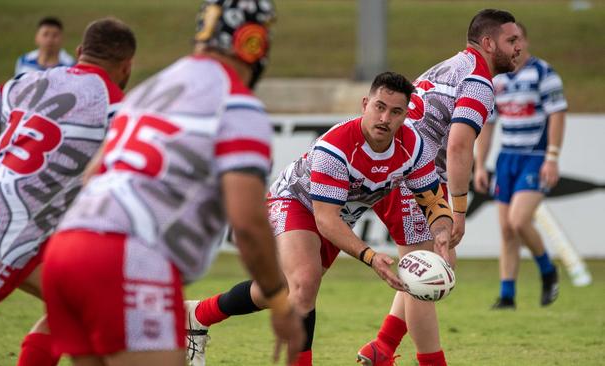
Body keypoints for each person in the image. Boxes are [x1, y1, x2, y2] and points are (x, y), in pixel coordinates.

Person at [40, 1, 306, 366]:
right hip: (128, 256)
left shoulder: (149, 89)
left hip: (66, 247)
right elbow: (246, 223)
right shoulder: (237, 105)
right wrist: (278, 302)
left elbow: (91, 175)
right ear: (253, 42)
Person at [185, 71, 455, 366]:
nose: (385, 118)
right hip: (295, 201)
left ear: (405, 115)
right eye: (379, 107)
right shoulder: (336, 148)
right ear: (365, 104)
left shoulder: (412, 146)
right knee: (303, 282)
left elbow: (432, 200)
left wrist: (442, 229)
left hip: (338, 214)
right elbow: (325, 220)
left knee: (282, 289)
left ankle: (198, 314)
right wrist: (370, 256)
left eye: (395, 112)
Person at [0, 17, 135, 366]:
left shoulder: (26, 82)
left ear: (80, 52)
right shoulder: (116, 110)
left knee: (88, 303)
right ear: (127, 66)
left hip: (9, 226)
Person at [357, 9, 521, 366]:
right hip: (411, 180)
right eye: (512, 40)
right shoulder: (478, 80)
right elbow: (459, 146)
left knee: (432, 267)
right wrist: (457, 213)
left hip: (401, 174)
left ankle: (382, 347)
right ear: (488, 43)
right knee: (427, 274)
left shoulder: (448, 66)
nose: (518, 48)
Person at [474, 22, 565, 309]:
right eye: (508, 41)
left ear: (524, 41)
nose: (515, 46)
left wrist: (552, 156)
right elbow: (488, 125)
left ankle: (548, 271)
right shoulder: (497, 80)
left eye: (518, 40)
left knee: (519, 219)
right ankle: (507, 295)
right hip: (506, 158)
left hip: (534, 157)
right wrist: (480, 165)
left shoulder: (544, 73)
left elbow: (557, 116)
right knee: (506, 229)